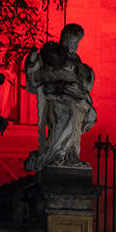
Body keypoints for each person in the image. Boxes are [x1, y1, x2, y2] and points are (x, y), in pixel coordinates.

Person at [23, 24, 97, 171]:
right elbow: (35, 72)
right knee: (67, 116)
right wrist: (32, 60)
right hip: (55, 96)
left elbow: (85, 80)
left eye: (77, 43)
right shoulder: (50, 52)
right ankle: (56, 155)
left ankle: (71, 155)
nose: (75, 46)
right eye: (74, 42)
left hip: (75, 96)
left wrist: (83, 72)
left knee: (85, 119)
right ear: (66, 39)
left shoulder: (75, 59)